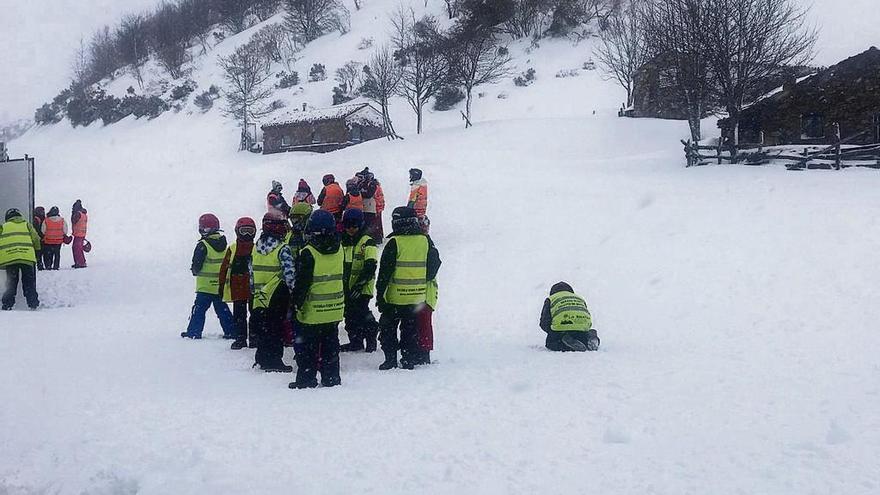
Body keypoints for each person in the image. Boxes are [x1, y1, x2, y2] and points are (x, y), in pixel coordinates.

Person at [375, 206, 441, 370]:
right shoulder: (425, 240)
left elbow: (385, 272)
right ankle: (408, 359)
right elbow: (434, 264)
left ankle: (390, 359)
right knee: (410, 330)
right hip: (416, 298)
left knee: (388, 330)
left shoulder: (395, 242)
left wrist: (379, 295)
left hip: (394, 297)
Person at [289, 210, 344, 389]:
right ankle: (331, 378)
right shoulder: (340, 249)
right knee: (331, 347)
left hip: (312, 312)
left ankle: (306, 379)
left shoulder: (308, 252)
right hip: (334, 309)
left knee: (307, 349)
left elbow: (302, 284)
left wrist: (295, 304)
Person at [251, 213, 296, 372]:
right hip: (277, 295)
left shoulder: (256, 247)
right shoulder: (282, 249)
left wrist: (254, 292)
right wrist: (294, 293)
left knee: (263, 328)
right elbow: (289, 274)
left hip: (259, 296)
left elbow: (251, 272)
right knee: (276, 329)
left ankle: (262, 358)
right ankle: (275, 361)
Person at [181, 214, 236, 339]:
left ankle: (194, 332)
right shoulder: (224, 244)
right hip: (220, 286)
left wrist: (194, 271)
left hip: (205, 287)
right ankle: (232, 331)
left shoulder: (203, 245)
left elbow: (196, 265)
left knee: (199, 310)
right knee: (223, 310)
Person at [340, 208, 379, 352]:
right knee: (350, 315)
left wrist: (360, 285)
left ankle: (371, 338)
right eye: (348, 226)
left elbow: (371, 265)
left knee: (362, 312)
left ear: (360, 225)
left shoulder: (367, 241)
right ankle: (355, 341)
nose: (351, 229)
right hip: (347, 287)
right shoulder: (343, 241)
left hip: (362, 288)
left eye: (354, 226)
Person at [219, 217, 256, 350]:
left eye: (250, 231)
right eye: (244, 231)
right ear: (237, 231)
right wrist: (221, 285)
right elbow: (224, 268)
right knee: (239, 315)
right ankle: (241, 338)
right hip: (238, 285)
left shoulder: (257, 248)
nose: (246, 235)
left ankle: (254, 338)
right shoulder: (233, 248)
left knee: (254, 313)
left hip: (253, 286)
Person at [539, 282, 600, 352]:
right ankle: (589, 338)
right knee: (581, 335)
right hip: (582, 327)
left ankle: (566, 345)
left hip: (562, 328)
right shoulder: (579, 298)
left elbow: (544, 322)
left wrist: (552, 332)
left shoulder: (551, 299)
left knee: (551, 342)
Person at [0, 208, 41, 310]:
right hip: (27, 258)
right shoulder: (27, 225)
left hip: (10, 258)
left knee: (11, 282)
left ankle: (8, 304)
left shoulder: (3, 227)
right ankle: (33, 304)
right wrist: (37, 250)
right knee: (29, 282)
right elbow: (36, 238)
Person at [415, 215, 435, 365]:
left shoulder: (426, 243)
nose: (424, 227)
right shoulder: (424, 242)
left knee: (423, 323)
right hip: (421, 291)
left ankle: (423, 353)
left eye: (425, 224)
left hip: (424, 292)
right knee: (421, 323)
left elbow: (432, 267)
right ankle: (421, 351)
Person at [41, 206, 68, 271]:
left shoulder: (46, 220)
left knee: (48, 254)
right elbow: (65, 230)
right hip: (58, 241)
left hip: (48, 240)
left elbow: (43, 230)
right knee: (57, 254)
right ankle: (56, 266)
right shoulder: (62, 220)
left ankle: (48, 265)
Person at [71, 200, 88, 268]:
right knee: (79, 248)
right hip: (82, 233)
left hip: (78, 234)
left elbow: (74, 221)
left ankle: (80, 263)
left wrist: (73, 213)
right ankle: (81, 262)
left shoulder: (78, 214)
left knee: (76, 248)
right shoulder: (84, 214)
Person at [33, 207, 46, 271]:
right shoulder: (44, 218)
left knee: (38, 252)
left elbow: (36, 229)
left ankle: (39, 264)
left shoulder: (35, 218)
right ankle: (41, 265)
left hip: (38, 238)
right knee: (42, 252)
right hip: (42, 238)